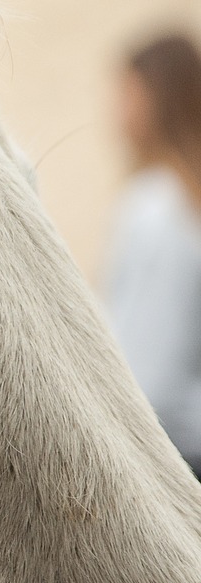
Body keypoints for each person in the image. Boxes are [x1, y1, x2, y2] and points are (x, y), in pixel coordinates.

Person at [104, 33, 201, 473]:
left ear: (158, 100)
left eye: (127, 94)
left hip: (167, 459)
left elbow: (145, 377)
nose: (116, 114)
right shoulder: (184, 199)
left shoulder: (157, 204)